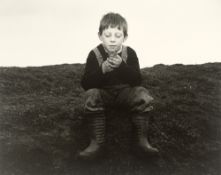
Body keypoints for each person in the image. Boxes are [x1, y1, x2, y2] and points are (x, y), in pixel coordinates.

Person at [79, 12, 159, 159]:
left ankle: (141, 141)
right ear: (100, 36)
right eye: (108, 35)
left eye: (117, 35)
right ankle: (97, 143)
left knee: (142, 94)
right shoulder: (94, 54)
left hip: (125, 93)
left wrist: (122, 66)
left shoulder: (130, 53)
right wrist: (102, 70)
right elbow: (86, 84)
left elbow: (137, 80)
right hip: (104, 95)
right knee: (91, 95)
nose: (112, 40)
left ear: (125, 37)